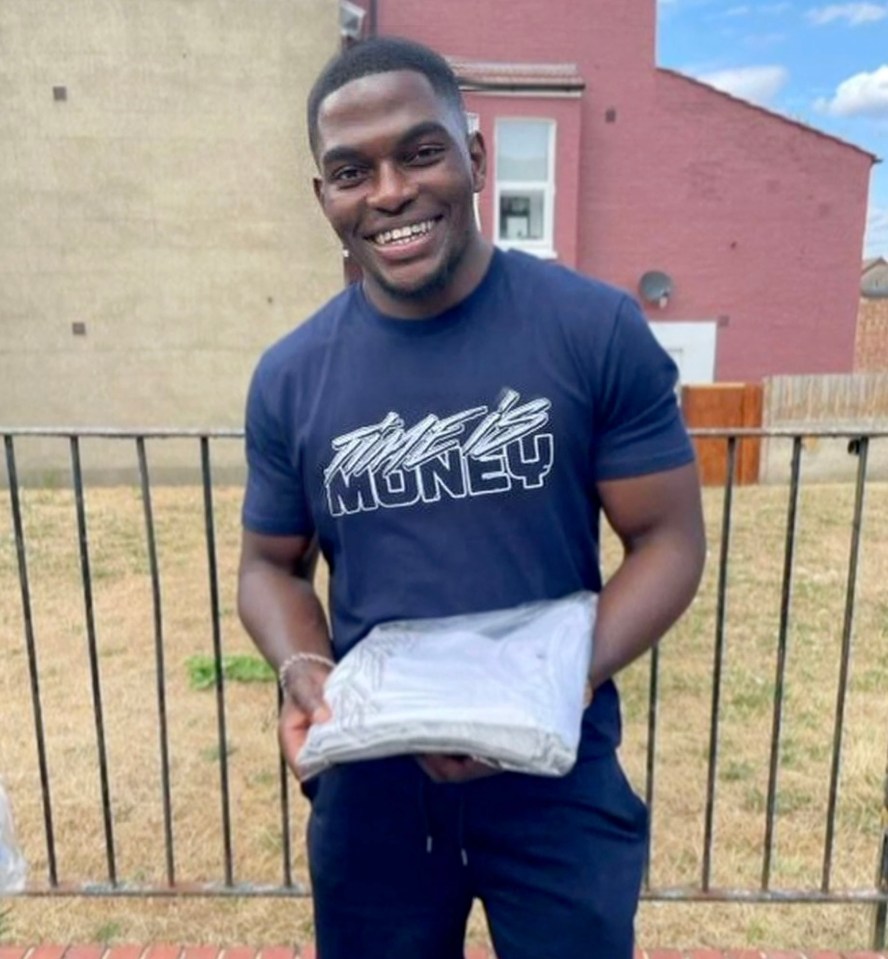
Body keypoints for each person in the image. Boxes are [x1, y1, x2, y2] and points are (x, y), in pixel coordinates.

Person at [238, 35, 706, 959]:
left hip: (554, 770)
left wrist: (551, 683)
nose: (388, 191)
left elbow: (667, 541)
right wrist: (301, 668)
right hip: (375, 787)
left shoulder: (591, 329)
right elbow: (268, 564)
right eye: (349, 170)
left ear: (475, 157)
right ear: (324, 196)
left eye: (419, 151)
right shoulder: (292, 376)